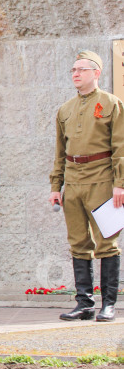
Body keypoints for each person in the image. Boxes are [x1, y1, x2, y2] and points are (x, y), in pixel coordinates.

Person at [50, 50, 124, 322]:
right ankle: (84, 304)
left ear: (96, 73)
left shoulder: (111, 103)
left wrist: (121, 184)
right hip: (74, 179)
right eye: (73, 70)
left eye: (81, 69)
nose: (76, 74)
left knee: (106, 242)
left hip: (102, 178)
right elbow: (60, 151)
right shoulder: (65, 109)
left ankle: (109, 305)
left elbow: (120, 146)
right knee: (78, 243)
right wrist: (56, 186)